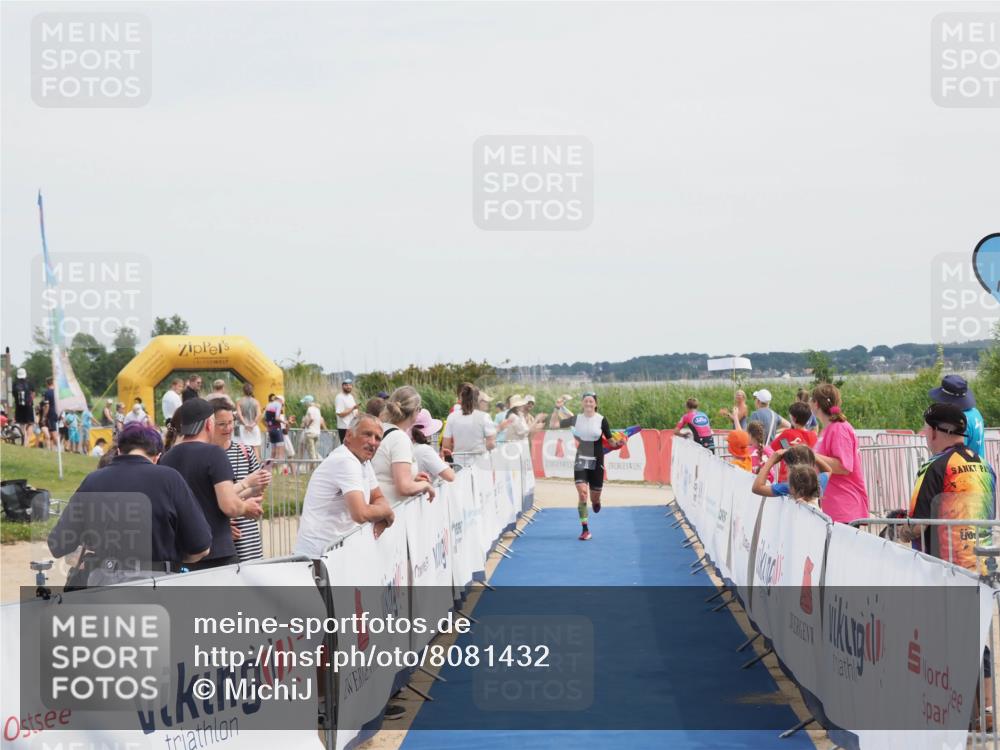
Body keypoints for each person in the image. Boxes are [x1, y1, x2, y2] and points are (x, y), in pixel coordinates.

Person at [48, 423, 212, 587]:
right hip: (157, 584)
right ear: (157, 457)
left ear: (119, 451)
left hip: (103, 586)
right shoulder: (171, 479)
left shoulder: (92, 481)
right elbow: (201, 547)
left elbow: (58, 544)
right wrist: (172, 560)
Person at [160, 398, 263, 569]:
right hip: (217, 553)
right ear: (209, 424)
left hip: (182, 554)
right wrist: (246, 508)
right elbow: (229, 505)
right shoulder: (214, 454)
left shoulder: (166, 458)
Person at [898, 403, 996, 571]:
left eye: (926, 430)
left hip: (946, 571)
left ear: (934, 432)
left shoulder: (933, 467)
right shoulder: (986, 466)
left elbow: (917, 526)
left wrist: (899, 530)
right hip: (985, 567)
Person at [295, 414, 395, 558]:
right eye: (367, 434)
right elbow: (360, 513)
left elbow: (377, 496)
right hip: (319, 556)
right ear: (348, 435)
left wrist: (381, 512)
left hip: (336, 552)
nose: (373, 442)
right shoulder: (346, 460)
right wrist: (387, 512)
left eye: (378, 438)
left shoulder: (363, 461)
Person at [549, 392, 620, 541]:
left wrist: (618, 444)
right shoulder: (576, 419)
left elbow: (610, 441)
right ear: (582, 403)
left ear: (595, 404)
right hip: (581, 458)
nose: (588, 403)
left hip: (597, 460)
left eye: (591, 401)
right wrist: (556, 408)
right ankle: (585, 529)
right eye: (586, 401)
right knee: (582, 494)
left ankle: (596, 502)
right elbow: (553, 425)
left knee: (594, 498)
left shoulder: (601, 420)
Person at [209, 400, 271, 562]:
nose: (228, 428)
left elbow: (258, 494)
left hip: (248, 535)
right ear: (209, 424)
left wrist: (261, 483)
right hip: (220, 539)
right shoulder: (204, 457)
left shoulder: (245, 451)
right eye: (222, 424)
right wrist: (220, 526)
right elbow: (205, 499)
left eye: (231, 422)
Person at [811, 384, 869, 523]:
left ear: (816, 404)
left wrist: (811, 456)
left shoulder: (839, 429)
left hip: (845, 506)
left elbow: (843, 467)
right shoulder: (828, 428)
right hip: (833, 505)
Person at [373, 386, 437, 507]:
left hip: (376, 503)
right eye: (420, 409)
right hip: (392, 508)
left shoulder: (382, 428)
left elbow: (384, 472)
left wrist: (412, 478)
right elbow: (404, 487)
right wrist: (425, 485)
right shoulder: (400, 438)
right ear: (415, 410)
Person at [929, 374, 986, 461]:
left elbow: (954, 453)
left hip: (962, 467)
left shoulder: (958, 420)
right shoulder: (975, 412)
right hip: (979, 465)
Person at [442, 383, 497, 466]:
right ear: (477, 399)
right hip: (480, 462)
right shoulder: (484, 416)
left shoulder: (452, 417)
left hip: (459, 463)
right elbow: (491, 444)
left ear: (462, 398)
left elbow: (446, 445)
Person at [752, 445, 832, 499]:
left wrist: (771, 460)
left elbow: (757, 488)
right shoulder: (817, 483)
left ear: (790, 468)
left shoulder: (790, 487)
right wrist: (809, 453)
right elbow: (828, 470)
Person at [767, 401, 817, 482]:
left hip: (788, 477)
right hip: (808, 477)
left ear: (794, 418)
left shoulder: (787, 434)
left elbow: (772, 449)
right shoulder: (814, 436)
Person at [412, 409, 455, 482]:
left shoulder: (408, 445)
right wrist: (444, 462)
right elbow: (450, 476)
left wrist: (440, 457)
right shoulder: (425, 450)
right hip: (426, 488)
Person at [236, 382, 263, 461]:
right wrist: (253, 424)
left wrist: (245, 424)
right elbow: (259, 414)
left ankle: (246, 466)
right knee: (255, 449)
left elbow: (239, 414)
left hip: (243, 427)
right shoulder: (256, 402)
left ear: (243, 391)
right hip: (254, 427)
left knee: (244, 449)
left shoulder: (239, 402)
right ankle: (257, 466)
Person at [12, 368, 34, 446]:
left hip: (19, 407)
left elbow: (14, 394)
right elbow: (32, 394)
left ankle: (23, 440)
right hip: (28, 406)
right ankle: (27, 441)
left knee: (22, 424)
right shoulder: (29, 383)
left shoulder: (15, 384)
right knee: (30, 423)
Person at [301, 395, 327, 460]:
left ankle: (315, 465)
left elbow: (312, 418)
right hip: (317, 433)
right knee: (315, 451)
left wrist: (307, 425)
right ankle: (317, 464)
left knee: (312, 453)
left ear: (307, 402)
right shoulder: (317, 409)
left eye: (305, 403)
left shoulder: (310, 409)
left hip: (310, 432)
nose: (304, 405)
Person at [264, 394, 287, 465]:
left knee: (273, 453)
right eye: (282, 404)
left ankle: (269, 468)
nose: (282, 406)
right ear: (281, 401)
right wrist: (284, 422)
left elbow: (265, 418)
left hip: (270, 429)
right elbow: (277, 418)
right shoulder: (278, 404)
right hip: (277, 428)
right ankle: (279, 469)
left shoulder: (268, 405)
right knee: (280, 452)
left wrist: (268, 426)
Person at [334, 378, 359, 445]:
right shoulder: (339, 397)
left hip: (352, 427)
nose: (348, 387)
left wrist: (356, 413)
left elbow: (354, 410)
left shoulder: (351, 396)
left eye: (350, 385)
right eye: (346, 385)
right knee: (345, 447)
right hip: (344, 427)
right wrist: (353, 408)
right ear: (342, 386)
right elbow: (340, 414)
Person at [40, 377, 57, 450]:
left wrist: (44, 416)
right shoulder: (56, 392)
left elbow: (47, 406)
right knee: (51, 433)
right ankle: (52, 450)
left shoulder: (48, 392)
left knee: (53, 433)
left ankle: (59, 449)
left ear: (47, 384)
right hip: (56, 413)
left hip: (50, 414)